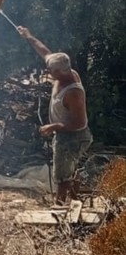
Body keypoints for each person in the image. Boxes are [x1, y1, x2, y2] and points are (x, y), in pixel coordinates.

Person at [16, 26, 92, 203]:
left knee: (62, 175)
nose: (47, 72)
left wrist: (54, 126)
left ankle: (59, 206)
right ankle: (74, 201)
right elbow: (45, 51)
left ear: (61, 71)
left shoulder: (73, 92)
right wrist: (29, 36)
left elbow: (80, 123)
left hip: (73, 137)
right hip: (65, 134)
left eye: (51, 70)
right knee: (68, 171)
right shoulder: (62, 69)